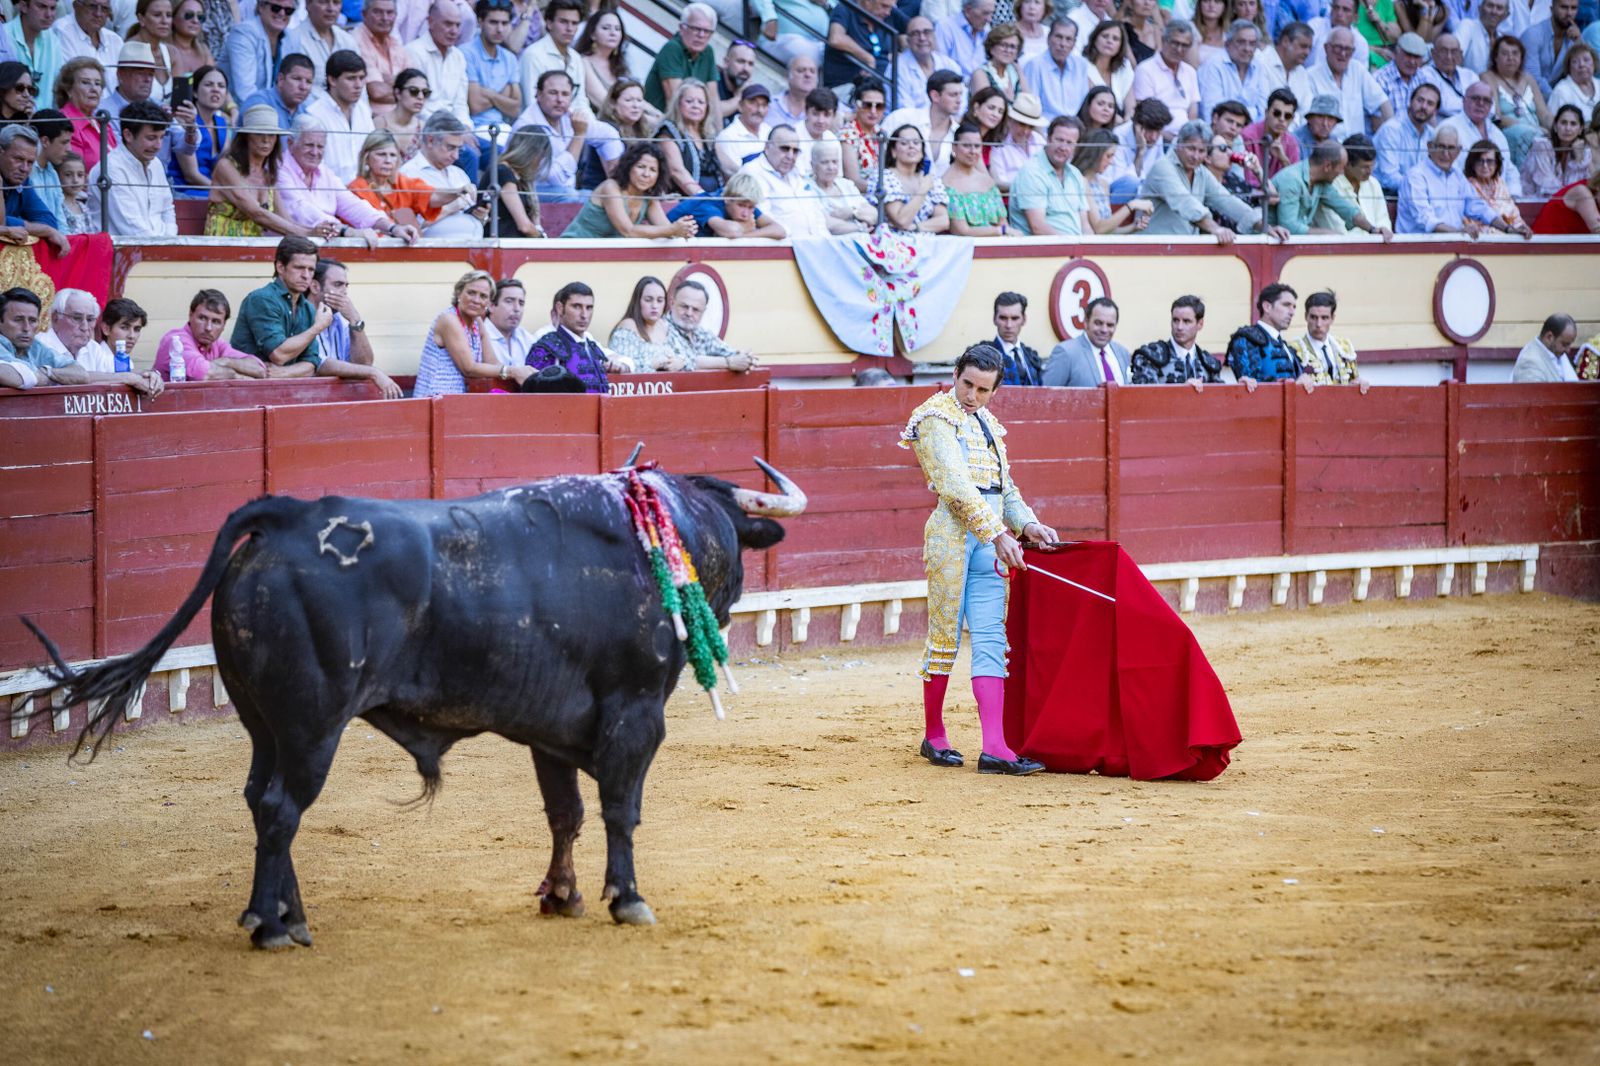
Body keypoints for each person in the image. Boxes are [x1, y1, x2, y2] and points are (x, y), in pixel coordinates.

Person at [900, 342, 1058, 776]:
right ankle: (934, 736)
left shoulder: (988, 424)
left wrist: (1027, 525)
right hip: (953, 536)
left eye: (983, 390)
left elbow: (1004, 490)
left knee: (990, 636)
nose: (973, 395)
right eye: (967, 384)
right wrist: (997, 533)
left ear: (995, 390)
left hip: (989, 537)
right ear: (955, 374)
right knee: (946, 634)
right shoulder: (934, 417)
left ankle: (996, 748)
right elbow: (955, 486)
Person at [279, 115, 422, 246]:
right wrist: (347, 231)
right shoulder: (280, 170)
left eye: (320, 146)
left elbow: (351, 204)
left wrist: (392, 228)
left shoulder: (323, 171)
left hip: (321, 246)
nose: (315, 152)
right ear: (291, 143)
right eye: (309, 145)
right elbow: (303, 212)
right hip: (289, 248)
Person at [1143, 118, 1288, 240]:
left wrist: (1266, 227)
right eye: (1191, 149)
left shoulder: (1200, 172)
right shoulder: (1163, 167)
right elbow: (1185, 202)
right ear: (1179, 144)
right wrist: (1217, 230)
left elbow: (1226, 200)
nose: (1196, 156)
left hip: (1184, 251)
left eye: (1201, 151)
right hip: (1154, 249)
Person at [0, 286, 164, 393]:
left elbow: (90, 375)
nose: (85, 326)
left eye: (91, 319)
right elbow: (19, 376)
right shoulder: (42, 342)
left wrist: (145, 376)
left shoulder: (92, 348)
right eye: (77, 318)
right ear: (56, 318)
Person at [416, 268, 532, 395]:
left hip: (455, 400)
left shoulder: (477, 322)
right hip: (432, 402)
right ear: (459, 293)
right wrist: (513, 372)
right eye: (471, 293)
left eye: (483, 296)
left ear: (489, 303)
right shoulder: (449, 319)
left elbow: (493, 363)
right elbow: (469, 368)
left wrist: (523, 372)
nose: (476, 300)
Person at [205, 104, 310, 237]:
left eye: (271, 135)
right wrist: (307, 233)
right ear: (246, 137)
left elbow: (287, 221)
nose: (266, 140)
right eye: (259, 133)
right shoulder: (226, 166)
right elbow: (256, 213)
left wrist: (321, 231)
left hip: (256, 250)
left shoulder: (268, 174)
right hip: (219, 249)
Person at [1396, 124, 1519, 233]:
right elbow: (1425, 219)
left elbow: (1478, 208)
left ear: (1459, 151)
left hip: (1452, 244)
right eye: (1441, 147)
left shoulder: (1457, 176)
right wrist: (1459, 232)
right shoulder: (1416, 176)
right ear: (1430, 147)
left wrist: (1508, 228)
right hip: (1419, 248)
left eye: (1451, 148)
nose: (1445, 154)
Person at [562, 141, 697, 239]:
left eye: (653, 170)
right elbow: (628, 231)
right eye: (641, 166)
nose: (646, 174)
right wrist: (672, 230)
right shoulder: (610, 187)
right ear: (628, 167)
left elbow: (666, 229)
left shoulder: (649, 197)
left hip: (606, 258)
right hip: (574, 249)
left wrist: (684, 230)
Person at [87, 100, 177, 236]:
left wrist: (170, 243)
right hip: (118, 252)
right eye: (151, 138)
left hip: (160, 249)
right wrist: (165, 249)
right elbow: (131, 227)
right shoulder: (111, 169)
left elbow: (167, 209)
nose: (158, 145)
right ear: (128, 135)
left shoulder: (156, 163)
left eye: (162, 137)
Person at [1270, 141, 1394, 235]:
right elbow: (1288, 226)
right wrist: (1327, 234)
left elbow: (1347, 209)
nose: (1341, 173)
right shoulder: (1291, 180)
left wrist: (1373, 229)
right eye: (1341, 168)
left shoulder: (1321, 181)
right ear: (1328, 166)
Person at [525, 280, 626, 391]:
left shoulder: (593, 347)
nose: (584, 315)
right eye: (577, 306)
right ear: (560, 308)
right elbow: (535, 398)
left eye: (589, 308)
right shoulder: (547, 348)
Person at [401, 110, 487, 238]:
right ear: (430, 140)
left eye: (459, 149)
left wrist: (480, 216)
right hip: (433, 253)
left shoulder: (459, 173)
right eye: (451, 147)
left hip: (471, 249)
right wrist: (449, 208)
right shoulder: (408, 174)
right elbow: (407, 228)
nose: (456, 156)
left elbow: (474, 219)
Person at [153, 288, 272, 380]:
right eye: (202, 318)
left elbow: (260, 369)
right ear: (191, 314)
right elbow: (203, 373)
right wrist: (237, 376)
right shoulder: (176, 340)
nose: (208, 328)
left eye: (216, 321)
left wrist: (227, 361)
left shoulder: (217, 344)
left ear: (224, 325)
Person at [736, 125, 830, 238]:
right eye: (785, 149)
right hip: (783, 248)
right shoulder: (752, 172)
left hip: (818, 244)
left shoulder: (796, 171)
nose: (790, 156)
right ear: (767, 147)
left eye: (795, 151)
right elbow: (763, 219)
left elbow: (816, 214)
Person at [1006, 114, 1093, 234]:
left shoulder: (1075, 174)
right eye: (1059, 140)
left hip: (1074, 248)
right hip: (1044, 250)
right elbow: (1038, 227)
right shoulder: (1032, 172)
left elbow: (1085, 225)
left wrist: (1089, 249)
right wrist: (1072, 249)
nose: (1063, 147)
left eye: (1069, 143)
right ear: (1048, 139)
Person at [513, 69, 587, 201]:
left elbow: (607, 133)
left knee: (609, 198)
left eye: (565, 94)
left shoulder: (567, 116)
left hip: (565, 192)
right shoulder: (527, 126)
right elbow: (554, 177)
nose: (559, 100)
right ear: (538, 94)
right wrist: (579, 135)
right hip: (531, 194)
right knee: (572, 197)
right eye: (553, 93)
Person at [305, 50, 375, 185]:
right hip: (330, 192)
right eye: (351, 78)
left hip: (365, 190)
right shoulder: (315, 115)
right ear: (332, 80)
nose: (358, 85)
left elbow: (373, 151)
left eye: (361, 78)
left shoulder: (363, 110)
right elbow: (316, 168)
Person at [1477, 35, 1550, 165]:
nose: (1510, 58)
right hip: (1510, 132)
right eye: (1505, 53)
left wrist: (1557, 127)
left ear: (1521, 57)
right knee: (1529, 135)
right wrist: (1533, 129)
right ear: (1495, 57)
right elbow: (1496, 117)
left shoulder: (1528, 78)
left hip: (1538, 134)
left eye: (1515, 53)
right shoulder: (1488, 77)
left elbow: (1544, 114)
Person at [1308, 27, 1392, 140]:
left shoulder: (1358, 69)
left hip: (1356, 149)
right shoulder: (1311, 76)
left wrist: (1391, 135)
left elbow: (1383, 102)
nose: (1343, 53)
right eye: (1338, 48)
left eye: (1348, 49)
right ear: (1326, 48)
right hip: (1325, 147)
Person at [0, 125, 70, 256]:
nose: (24, 168)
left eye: (30, 162)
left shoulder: (22, 181)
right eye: (18, 159)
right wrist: (44, 230)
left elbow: (48, 221)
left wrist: (13, 225)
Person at [1442, 80, 1522, 194]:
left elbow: (1510, 170)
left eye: (1486, 100)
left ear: (1491, 106)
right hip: (1463, 199)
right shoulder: (1449, 128)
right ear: (1464, 101)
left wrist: (1513, 197)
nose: (1481, 103)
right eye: (1475, 98)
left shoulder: (1497, 134)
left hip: (1499, 202)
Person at [884, 69, 967, 177]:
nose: (959, 100)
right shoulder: (901, 117)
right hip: (899, 188)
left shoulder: (959, 133)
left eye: (960, 94)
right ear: (935, 96)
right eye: (953, 95)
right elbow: (880, 152)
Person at [663, 279, 758, 372]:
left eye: (696, 310)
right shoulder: (661, 328)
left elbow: (728, 352)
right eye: (684, 306)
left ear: (703, 311)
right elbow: (686, 360)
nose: (689, 313)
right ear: (672, 303)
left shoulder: (701, 333)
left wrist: (747, 359)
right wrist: (728, 362)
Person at [1130, 294, 1223, 388]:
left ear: (1200, 324)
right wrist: (1180, 393)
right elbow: (1144, 398)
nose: (1179, 327)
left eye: (1186, 321)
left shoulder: (1209, 364)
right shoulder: (1149, 357)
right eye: (1175, 320)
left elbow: (1222, 399)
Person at [873, 123, 952, 233]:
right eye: (904, 143)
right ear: (893, 151)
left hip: (926, 244)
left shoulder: (931, 179)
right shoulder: (884, 177)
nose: (911, 146)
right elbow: (902, 221)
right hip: (892, 244)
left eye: (916, 142)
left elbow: (943, 221)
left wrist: (916, 227)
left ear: (922, 150)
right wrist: (923, 190)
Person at [405, 0, 471, 127]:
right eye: (448, 24)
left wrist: (466, 128)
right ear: (430, 22)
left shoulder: (458, 56)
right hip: (425, 128)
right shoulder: (413, 52)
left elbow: (460, 104)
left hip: (454, 128)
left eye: (458, 25)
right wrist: (450, 129)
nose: (454, 31)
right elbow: (415, 107)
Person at [1074, 126, 1154, 231]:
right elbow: (1099, 228)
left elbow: (1109, 231)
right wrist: (1131, 205)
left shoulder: (1103, 184)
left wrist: (1133, 227)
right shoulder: (1080, 181)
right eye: (1108, 156)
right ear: (1095, 154)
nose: (1111, 162)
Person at [1128, 19, 1200, 135]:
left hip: (1185, 138)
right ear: (1163, 40)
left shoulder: (1190, 71)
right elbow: (1145, 114)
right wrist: (1173, 141)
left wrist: (1188, 138)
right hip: (1157, 136)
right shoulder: (1145, 69)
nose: (1179, 49)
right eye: (1174, 43)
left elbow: (1193, 110)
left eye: (1184, 45)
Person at [644, 2, 719, 112]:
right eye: (696, 29)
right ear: (682, 29)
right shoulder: (672, 48)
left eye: (707, 31)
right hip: (658, 120)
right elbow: (676, 101)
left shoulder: (708, 51)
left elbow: (713, 100)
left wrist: (719, 129)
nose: (701, 35)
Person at [666, 170, 787, 238]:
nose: (746, 213)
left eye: (751, 207)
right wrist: (746, 228)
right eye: (741, 206)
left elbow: (780, 231)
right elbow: (731, 231)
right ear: (727, 199)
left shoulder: (745, 202)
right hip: (665, 241)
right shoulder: (709, 203)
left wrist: (746, 234)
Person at [1225, 282, 1304, 387]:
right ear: (1267, 307)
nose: (1292, 312)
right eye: (1286, 305)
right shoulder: (1247, 338)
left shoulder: (1285, 346)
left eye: (1294, 307)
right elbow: (1250, 383)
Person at [167, 63, 230, 194]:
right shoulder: (184, 120)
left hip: (212, 188)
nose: (216, 89)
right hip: (186, 190)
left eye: (221, 86)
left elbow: (224, 164)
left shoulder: (221, 123)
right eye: (208, 85)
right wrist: (225, 192)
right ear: (195, 92)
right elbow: (191, 175)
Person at [520, 0, 588, 120]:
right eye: (563, 22)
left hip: (574, 125)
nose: (569, 28)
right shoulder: (533, 55)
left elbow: (581, 102)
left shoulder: (576, 58)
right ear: (549, 23)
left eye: (574, 23)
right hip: (540, 127)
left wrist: (589, 125)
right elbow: (532, 103)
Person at [1291, 289, 1370, 391]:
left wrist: (1359, 382)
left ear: (1332, 318)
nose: (1318, 324)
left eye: (1324, 318)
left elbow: (1354, 379)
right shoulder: (1294, 349)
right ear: (1306, 316)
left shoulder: (1344, 347)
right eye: (1313, 317)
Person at [464, 0, 523, 136]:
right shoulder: (466, 53)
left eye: (504, 23)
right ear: (480, 21)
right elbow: (475, 105)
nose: (500, 29)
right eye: (493, 22)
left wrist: (490, 94)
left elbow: (515, 109)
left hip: (503, 128)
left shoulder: (510, 58)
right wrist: (503, 94)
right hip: (475, 128)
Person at [656, 79, 723, 196]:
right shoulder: (668, 133)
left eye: (701, 102)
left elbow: (726, 166)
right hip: (686, 201)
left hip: (714, 198)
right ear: (678, 103)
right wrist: (704, 198)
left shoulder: (708, 134)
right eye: (689, 101)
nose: (695, 106)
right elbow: (677, 172)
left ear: (707, 107)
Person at [1043, 296, 1130, 385]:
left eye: (1110, 325)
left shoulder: (1123, 353)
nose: (1104, 330)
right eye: (1098, 323)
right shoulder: (1066, 353)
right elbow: (1046, 395)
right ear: (1086, 322)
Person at [481, 124, 550, 236]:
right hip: (502, 241)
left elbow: (535, 222)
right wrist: (543, 241)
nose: (541, 161)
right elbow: (524, 226)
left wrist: (540, 234)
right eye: (542, 156)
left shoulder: (523, 176)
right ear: (535, 153)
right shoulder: (503, 172)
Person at [1315, 132, 1391, 233]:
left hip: (1376, 244)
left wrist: (1382, 231)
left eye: (1372, 166)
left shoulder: (1373, 183)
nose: (1370, 171)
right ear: (1347, 164)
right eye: (1365, 167)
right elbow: (1337, 229)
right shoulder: (1331, 185)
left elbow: (1383, 219)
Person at [306, 257, 374, 367]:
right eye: (338, 285)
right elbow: (319, 366)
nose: (345, 292)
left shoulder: (340, 319)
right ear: (314, 287)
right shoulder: (299, 317)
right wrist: (373, 373)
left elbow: (364, 363)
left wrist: (355, 320)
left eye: (346, 285)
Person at [1373, 80, 1439, 192]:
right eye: (1420, 100)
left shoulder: (1432, 135)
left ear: (1435, 111)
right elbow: (1388, 178)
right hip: (1388, 195)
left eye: (1430, 103)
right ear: (1410, 102)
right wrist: (1422, 187)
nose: (1423, 106)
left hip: (1418, 193)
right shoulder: (1392, 130)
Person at [1198, 18, 1268, 122]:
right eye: (1241, 42)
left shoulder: (1259, 67)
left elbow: (1264, 113)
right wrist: (1252, 112)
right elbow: (1212, 115)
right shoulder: (1213, 66)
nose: (1247, 48)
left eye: (1252, 44)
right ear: (1227, 44)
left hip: (1253, 134)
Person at [56, 57, 119, 174]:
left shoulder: (102, 122)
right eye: (85, 82)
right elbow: (74, 175)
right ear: (68, 89)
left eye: (97, 83)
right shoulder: (65, 122)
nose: (93, 89)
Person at [826, 0, 904, 93]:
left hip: (883, 87)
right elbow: (836, 38)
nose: (888, 12)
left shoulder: (884, 18)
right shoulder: (846, 9)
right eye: (884, 6)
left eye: (891, 8)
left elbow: (914, 26)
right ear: (868, 1)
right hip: (848, 87)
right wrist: (867, 58)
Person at [944, 121, 1009, 233]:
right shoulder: (946, 184)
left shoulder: (988, 182)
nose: (972, 151)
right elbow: (962, 231)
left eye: (977, 146)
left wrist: (1003, 230)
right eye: (966, 145)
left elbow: (1003, 222)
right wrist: (1000, 231)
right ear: (954, 147)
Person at [1464, 138, 1534, 235]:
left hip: (1508, 236)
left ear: (1497, 164)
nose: (1485, 166)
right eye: (1480, 161)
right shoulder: (1467, 186)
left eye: (1489, 161)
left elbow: (1514, 215)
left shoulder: (1500, 184)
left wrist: (1520, 228)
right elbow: (1469, 222)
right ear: (1472, 164)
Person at [1024, 17, 1091, 119]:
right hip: (1046, 127)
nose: (1063, 44)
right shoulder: (1035, 65)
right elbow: (1031, 108)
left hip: (1075, 127)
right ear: (1048, 39)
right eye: (1058, 37)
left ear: (1074, 43)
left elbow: (1084, 105)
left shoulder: (1081, 65)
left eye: (1068, 39)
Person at [1520, 103, 1593, 195]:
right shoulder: (1541, 146)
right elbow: (1546, 185)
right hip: (1537, 201)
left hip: (1569, 202)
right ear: (1555, 126)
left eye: (1573, 124)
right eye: (1563, 123)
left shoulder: (1584, 151)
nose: (1568, 128)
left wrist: (1578, 160)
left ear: (1580, 129)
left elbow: (1581, 186)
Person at [897, 15, 967, 112]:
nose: (922, 38)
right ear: (908, 40)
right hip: (913, 125)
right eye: (915, 34)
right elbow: (905, 110)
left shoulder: (948, 64)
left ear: (934, 36)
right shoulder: (898, 68)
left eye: (927, 32)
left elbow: (962, 101)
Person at [607, 275, 675, 372]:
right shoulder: (627, 328)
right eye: (648, 300)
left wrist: (680, 362)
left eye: (660, 300)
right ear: (637, 302)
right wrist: (655, 363)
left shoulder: (665, 325)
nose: (655, 306)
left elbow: (687, 355)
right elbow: (623, 366)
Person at [356, 0, 411, 119]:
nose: (385, 18)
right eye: (378, 12)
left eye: (390, 12)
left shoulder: (395, 43)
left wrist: (390, 80)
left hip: (403, 119)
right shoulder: (356, 41)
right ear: (364, 14)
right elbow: (376, 92)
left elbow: (416, 85)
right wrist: (404, 87)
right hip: (374, 122)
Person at [285, 0, 356, 88]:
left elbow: (360, 84)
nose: (331, 9)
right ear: (308, 4)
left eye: (336, 2)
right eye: (323, 2)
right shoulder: (294, 40)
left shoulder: (347, 40)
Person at [811, 139, 876, 234]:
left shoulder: (846, 184)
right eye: (824, 162)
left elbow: (873, 214)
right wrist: (860, 227)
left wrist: (852, 212)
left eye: (834, 162)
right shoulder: (808, 189)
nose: (831, 167)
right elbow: (826, 224)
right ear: (813, 165)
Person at [576, 7, 633, 115]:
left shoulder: (621, 65)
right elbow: (602, 101)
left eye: (617, 29)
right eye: (606, 28)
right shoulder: (583, 61)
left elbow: (634, 97)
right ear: (592, 34)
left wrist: (659, 115)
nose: (613, 33)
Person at [7, 0, 64, 109]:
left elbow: (59, 88)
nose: (49, 15)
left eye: (53, 8)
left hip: (46, 121)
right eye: (42, 7)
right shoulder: (3, 37)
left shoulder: (53, 39)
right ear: (23, 6)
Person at [1519, 0, 1579, 96]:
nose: (1569, 13)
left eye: (1573, 8)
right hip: (1525, 98)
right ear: (1552, 9)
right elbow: (1533, 78)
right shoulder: (1533, 35)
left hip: (1555, 99)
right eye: (1564, 7)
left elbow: (1585, 73)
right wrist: (1558, 101)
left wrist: (1579, 43)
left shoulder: (1574, 39)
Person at [240, 52, 314, 130]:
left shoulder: (306, 112)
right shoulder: (259, 102)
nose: (303, 87)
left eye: (308, 82)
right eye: (297, 79)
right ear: (281, 79)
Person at [840, 75, 888, 191]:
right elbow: (853, 181)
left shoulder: (881, 133)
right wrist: (885, 190)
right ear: (857, 105)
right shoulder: (847, 135)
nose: (873, 111)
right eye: (868, 105)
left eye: (879, 106)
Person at [715, 82, 773, 175]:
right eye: (753, 103)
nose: (759, 110)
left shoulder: (769, 130)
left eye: (764, 105)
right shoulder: (728, 137)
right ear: (740, 106)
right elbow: (736, 178)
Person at [1083, 18, 1137, 115]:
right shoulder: (1083, 64)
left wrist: (1127, 124)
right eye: (1105, 36)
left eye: (1115, 39)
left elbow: (1131, 107)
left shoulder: (1125, 67)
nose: (1109, 41)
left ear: (1121, 45)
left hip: (1120, 121)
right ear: (1095, 39)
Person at [375, 68, 430, 163]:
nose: (420, 97)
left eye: (425, 93)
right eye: (414, 91)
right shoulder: (378, 124)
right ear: (398, 93)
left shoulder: (424, 129)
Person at [1261, 19, 1315, 113]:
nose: (1307, 52)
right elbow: (1262, 107)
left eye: (1309, 48)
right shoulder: (1263, 61)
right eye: (1303, 46)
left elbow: (1307, 111)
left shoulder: (1302, 72)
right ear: (1285, 41)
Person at [990, 291, 1044, 385]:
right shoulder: (985, 356)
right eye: (1003, 318)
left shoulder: (1031, 356)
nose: (1009, 325)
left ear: (1024, 319)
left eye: (1015, 318)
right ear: (995, 319)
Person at [482, 276, 537, 368]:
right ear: (491, 306)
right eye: (509, 301)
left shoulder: (526, 338)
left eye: (521, 303)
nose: (517, 309)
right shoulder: (478, 336)